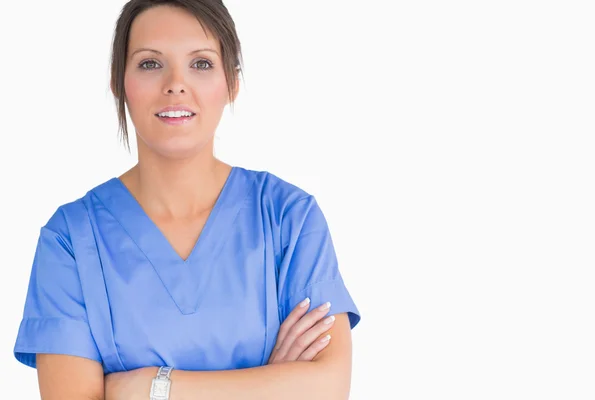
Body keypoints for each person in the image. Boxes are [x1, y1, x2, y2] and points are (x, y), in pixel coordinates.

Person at [13, 0, 361, 398]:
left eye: (201, 63)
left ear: (231, 83)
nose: (176, 84)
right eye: (149, 63)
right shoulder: (70, 240)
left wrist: (150, 388)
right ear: (118, 82)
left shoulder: (289, 218)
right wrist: (270, 384)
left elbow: (329, 387)